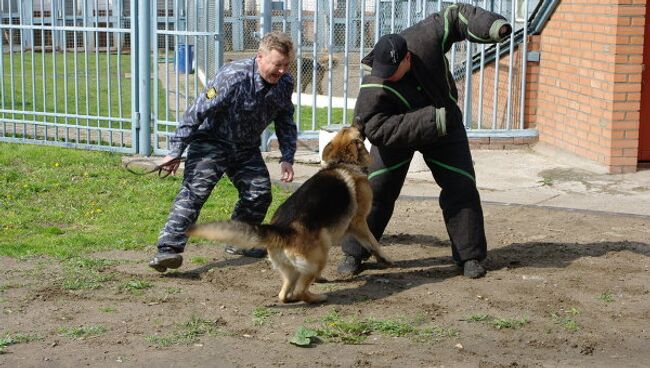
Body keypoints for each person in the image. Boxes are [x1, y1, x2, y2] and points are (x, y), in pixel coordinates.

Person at [338, 4, 512, 278]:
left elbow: (457, 16)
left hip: (445, 127)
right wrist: (431, 120)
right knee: (376, 189)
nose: (386, 76)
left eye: (392, 70)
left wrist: (492, 27)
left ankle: (470, 257)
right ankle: (354, 253)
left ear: (408, 58)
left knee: (461, 186)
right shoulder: (374, 83)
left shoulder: (425, 38)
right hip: (399, 134)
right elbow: (375, 128)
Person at [149, 31, 297, 272]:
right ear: (260, 57)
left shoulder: (284, 84)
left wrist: (287, 157)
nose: (281, 71)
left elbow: (285, 120)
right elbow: (197, 112)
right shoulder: (233, 76)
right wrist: (175, 151)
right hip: (212, 142)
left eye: (285, 65)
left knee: (258, 193)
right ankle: (168, 249)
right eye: (277, 64)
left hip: (246, 148)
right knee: (195, 192)